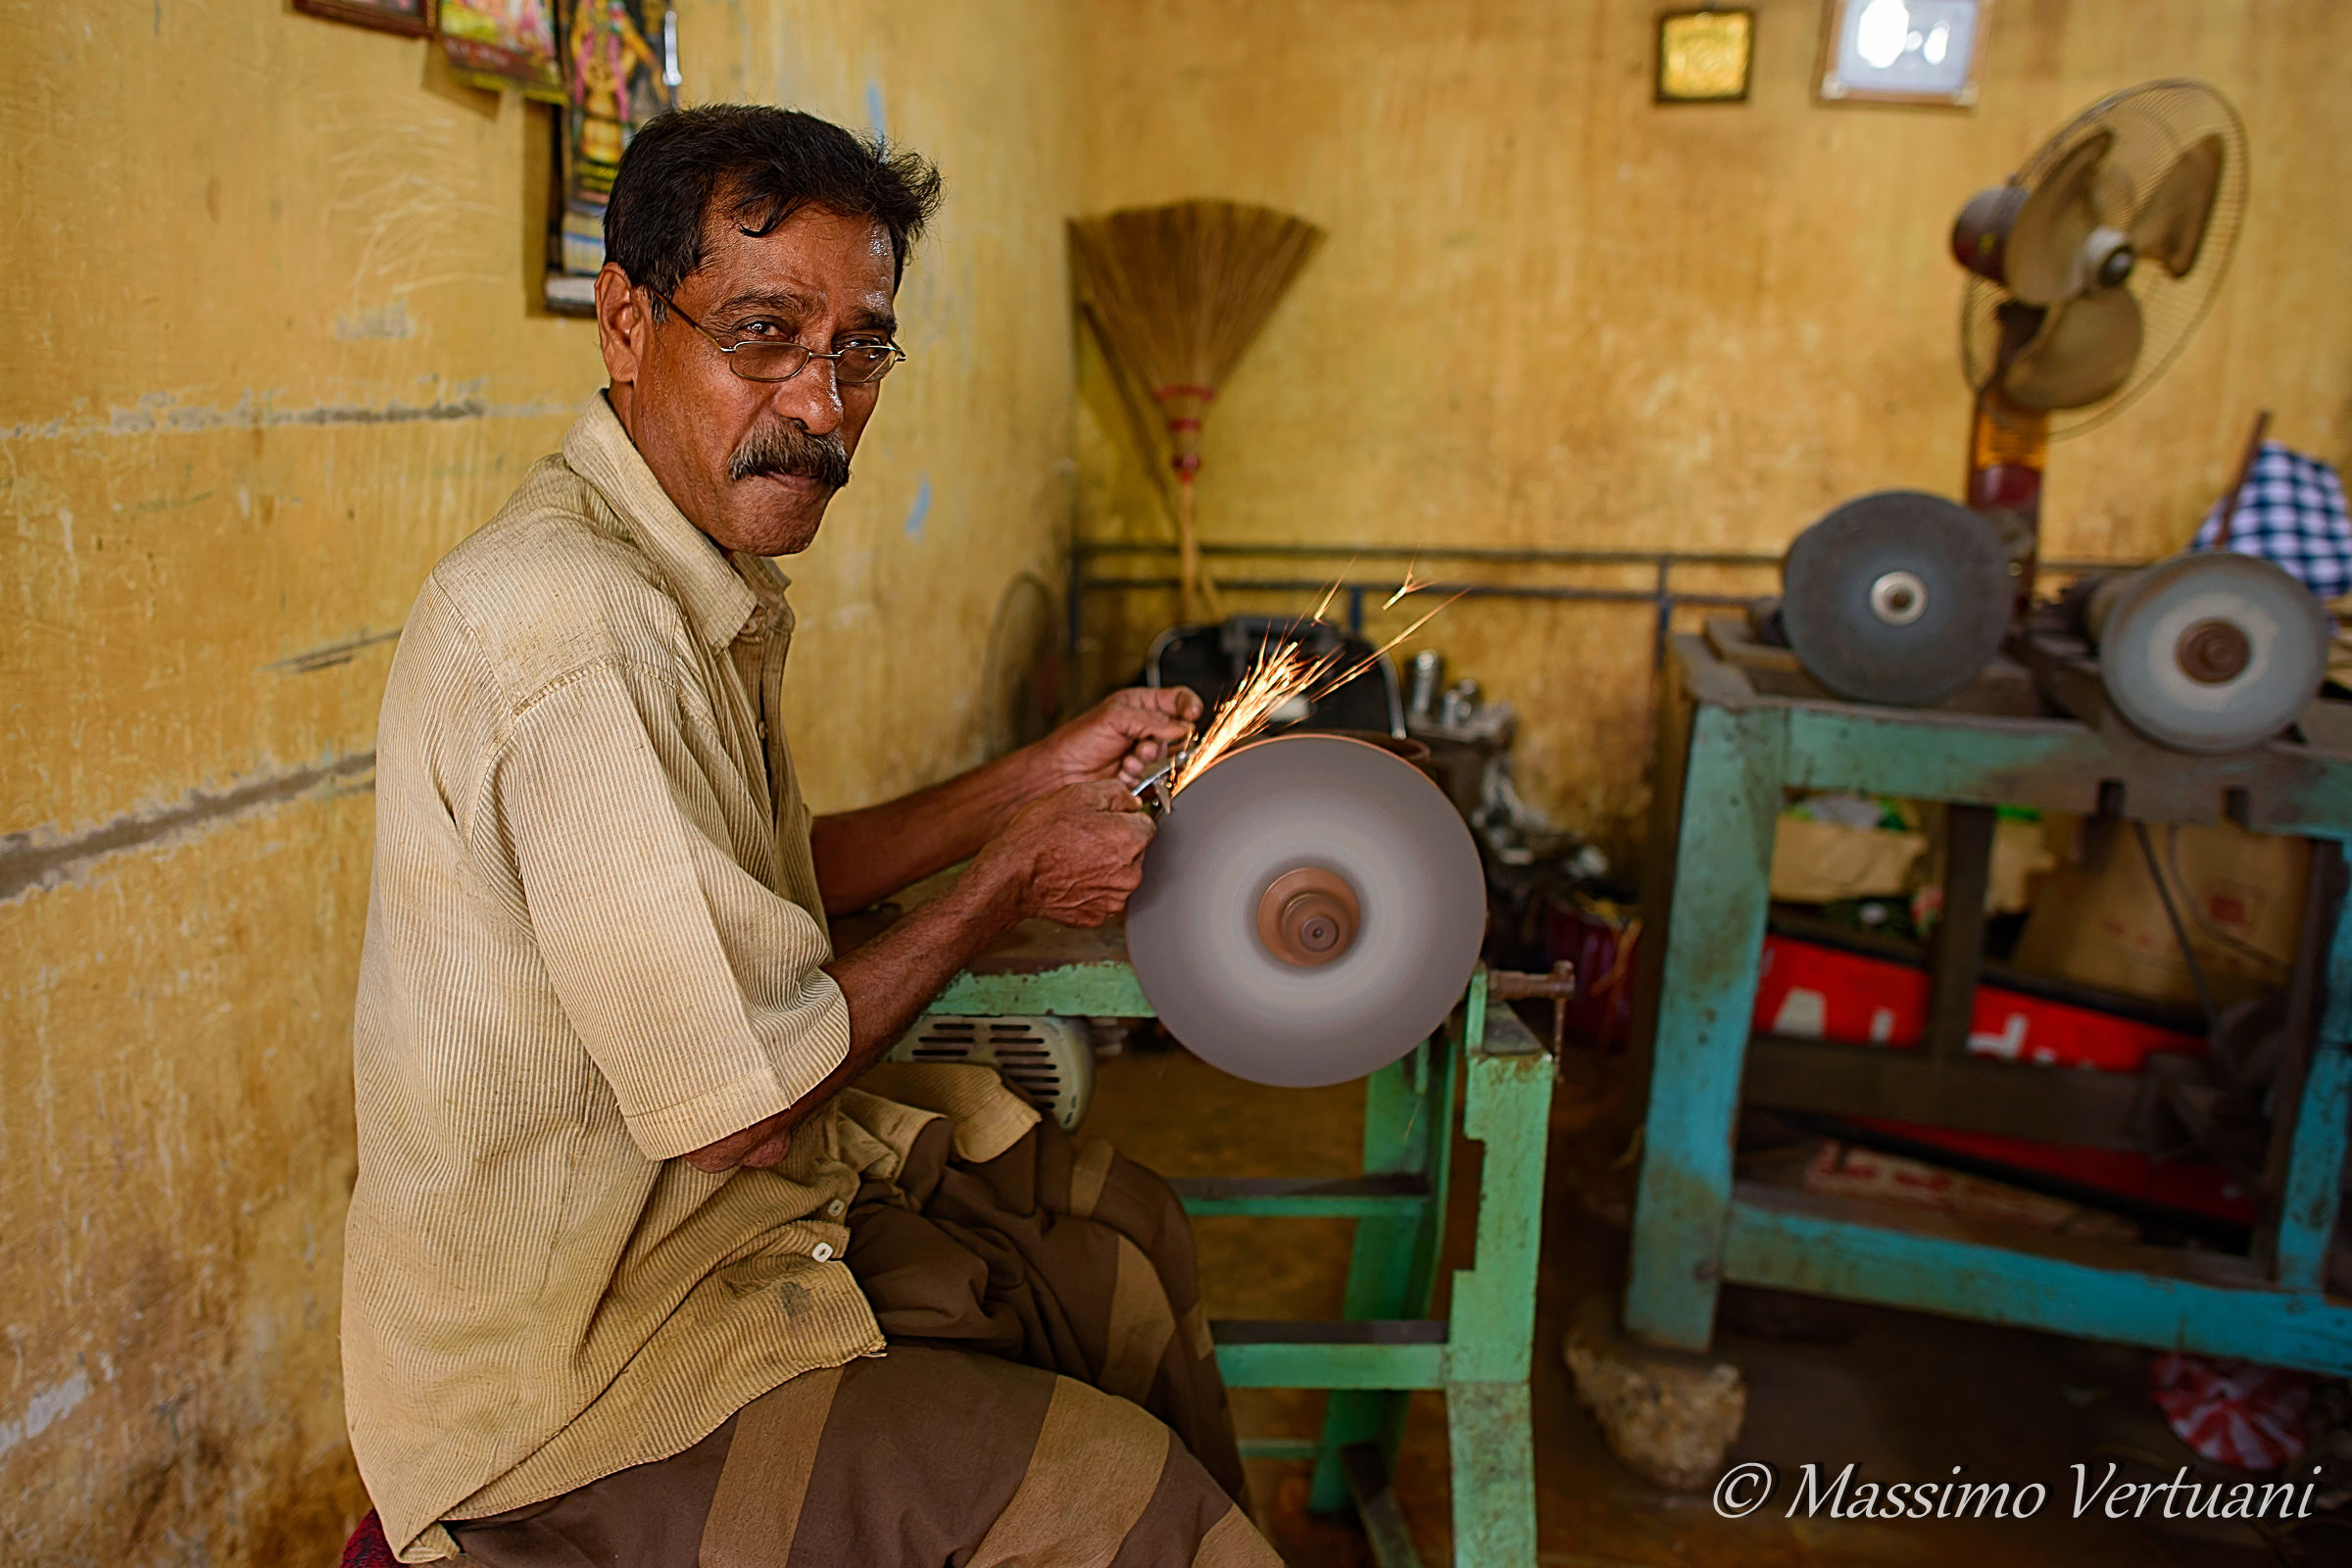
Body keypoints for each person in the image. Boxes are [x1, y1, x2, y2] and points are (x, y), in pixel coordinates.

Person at [342, 104, 1276, 1568]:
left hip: (707, 1245)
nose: (826, 401)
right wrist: (1003, 882)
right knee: (1130, 1501)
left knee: (1121, 1241)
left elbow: (773, 872)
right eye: (766, 333)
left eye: (862, 347)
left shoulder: (671, 567)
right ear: (629, 325)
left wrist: (1029, 775)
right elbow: (738, 1115)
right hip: (579, 1381)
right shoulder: (578, 632)